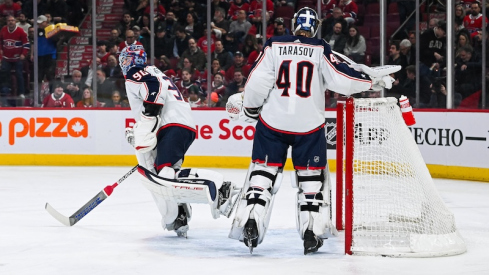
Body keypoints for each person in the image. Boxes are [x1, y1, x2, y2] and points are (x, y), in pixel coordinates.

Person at [226, 7, 395, 254]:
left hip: (273, 122)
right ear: (315, 26)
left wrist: (251, 109)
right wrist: (372, 82)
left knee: (262, 174)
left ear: (294, 24)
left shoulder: (274, 45)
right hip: (308, 125)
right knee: (311, 181)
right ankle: (311, 233)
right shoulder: (319, 48)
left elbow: (256, 82)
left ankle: (251, 219)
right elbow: (341, 79)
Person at [119, 45, 237, 238]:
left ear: (133, 60)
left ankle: (220, 186)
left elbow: (153, 90)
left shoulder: (136, 73)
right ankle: (179, 214)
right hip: (179, 124)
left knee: (164, 175)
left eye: (125, 60)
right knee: (164, 175)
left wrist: (147, 122)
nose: (123, 65)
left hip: (171, 124)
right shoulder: (154, 70)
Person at [0, 15, 29, 98]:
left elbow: (26, 44)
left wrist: (24, 53)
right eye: (9, 20)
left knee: (19, 74)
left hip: (17, 58)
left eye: (12, 20)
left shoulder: (21, 31)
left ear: (15, 21)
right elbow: (0, 41)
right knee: (4, 74)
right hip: (6, 57)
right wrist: (1, 49)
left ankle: (21, 93)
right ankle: (6, 91)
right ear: (6, 22)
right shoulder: (3, 30)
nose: (11, 22)